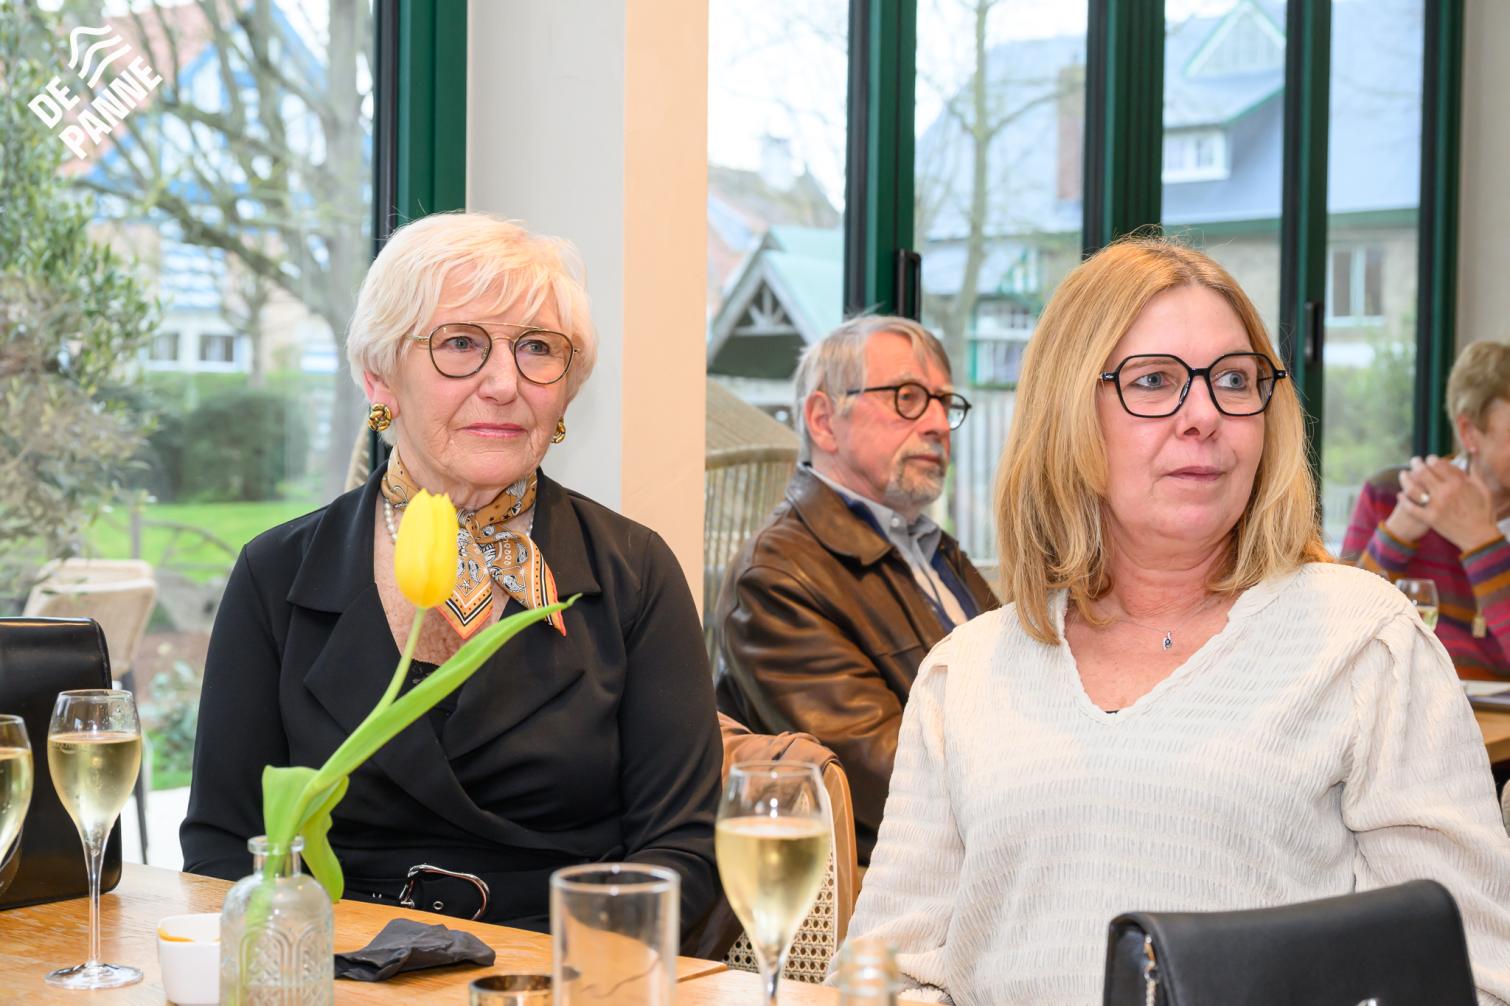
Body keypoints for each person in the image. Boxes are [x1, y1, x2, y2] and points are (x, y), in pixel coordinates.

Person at [842, 237, 1510, 1004]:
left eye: (1234, 380)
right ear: (1068, 411)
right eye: (1154, 381)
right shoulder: (965, 673)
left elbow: (1473, 976)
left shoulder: (1366, 644)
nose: (1204, 415)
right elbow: (883, 975)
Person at [180, 211, 722, 938]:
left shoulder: (634, 571)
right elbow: (222, 848)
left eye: (537, 348)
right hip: (337, 964)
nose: (504, 383)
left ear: (566, 390)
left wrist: (557, 974)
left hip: (560, 967)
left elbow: (685, 851)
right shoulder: (276, 574)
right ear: (379, 377)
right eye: (460, 344)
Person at [714, 315, 997, 864]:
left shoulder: (933, 550)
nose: (938, 423)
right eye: (908, 398)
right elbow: (891, 781)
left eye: (944, 402)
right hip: (899, 882)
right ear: (824, 420)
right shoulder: (777, 576)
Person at [1342, 340, 1510, 680]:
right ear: (1469, 432)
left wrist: (1481, 542)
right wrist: (1396, 535)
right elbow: (1341, 634)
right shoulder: (1388, 496)